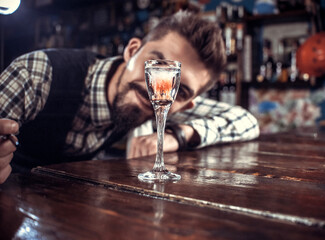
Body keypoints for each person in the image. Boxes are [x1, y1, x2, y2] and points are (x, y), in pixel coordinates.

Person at [0, 10, 259, 184]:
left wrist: (180, 135)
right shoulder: (38, 73)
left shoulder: (166, 101)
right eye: (155, 65)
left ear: (187, 104)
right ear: (132, 50)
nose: (159, 88)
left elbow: (246, 120)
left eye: (178, 88)